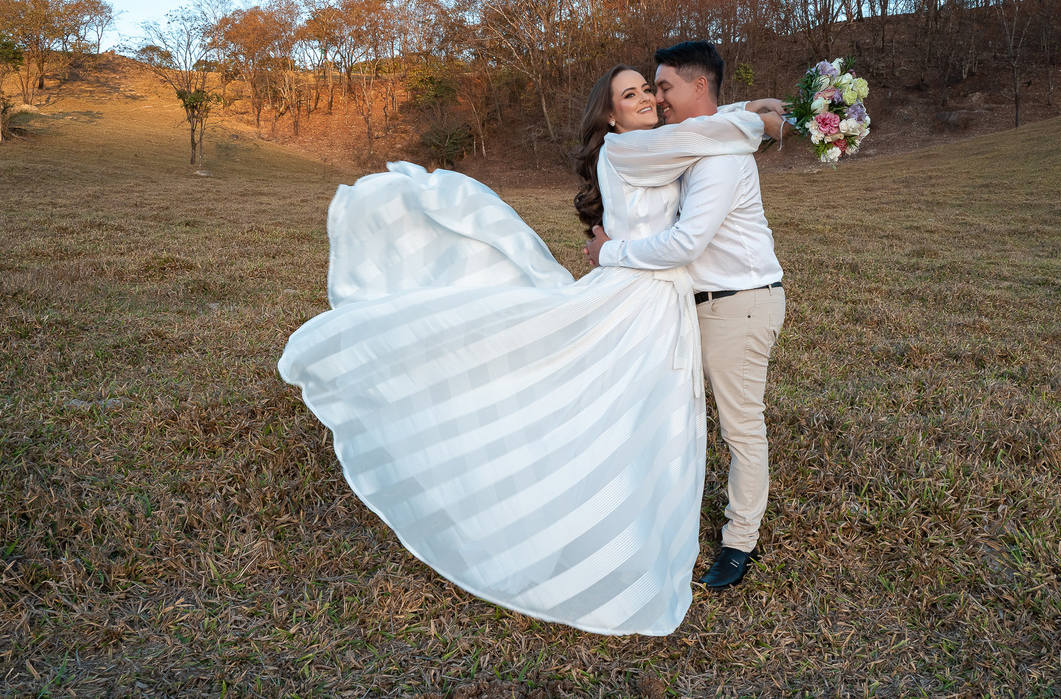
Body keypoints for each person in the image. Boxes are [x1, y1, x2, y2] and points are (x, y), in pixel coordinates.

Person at [278, 64, 775, 635]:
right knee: (610, 413)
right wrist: (762, 119)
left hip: (663, 303)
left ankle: (637, 524)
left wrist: (749, 113)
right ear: (609, 115)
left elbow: (701, 134)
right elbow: (707, 136)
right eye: (630, 94)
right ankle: (580, 526)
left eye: (650, 89)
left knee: (648, 418)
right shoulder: (627, 150)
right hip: (638, 297)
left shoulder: (662, 146)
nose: (646, 99)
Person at [586, 41, 788, 591]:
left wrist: (608, 251)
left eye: (662, 86)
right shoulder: (672, 145)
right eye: (641, 92)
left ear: (697, 87)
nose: (657, 98)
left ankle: (738, 544)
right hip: (678, 304)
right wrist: (750, 112)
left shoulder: (719, 156)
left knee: (741, 427)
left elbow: (684, 242)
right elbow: (702, 128)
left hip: (736, 303)